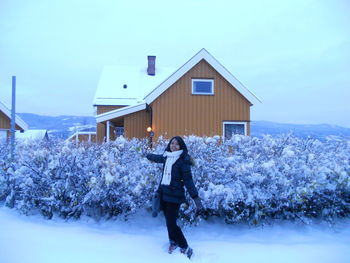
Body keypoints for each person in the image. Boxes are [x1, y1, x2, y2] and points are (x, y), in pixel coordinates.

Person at [146, 136, 203, 259]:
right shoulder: (167, 157)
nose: (174, 146)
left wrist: (196, 198)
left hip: (175, 196)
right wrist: (147, 155)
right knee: (168, 222)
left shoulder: (183, 160)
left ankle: (185, 246)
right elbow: (157, 158)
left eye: (177, 144)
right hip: (164, 194)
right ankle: (173, 241)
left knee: (171, 223)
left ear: (181, 146)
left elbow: (188, 181)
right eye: (172, 143)